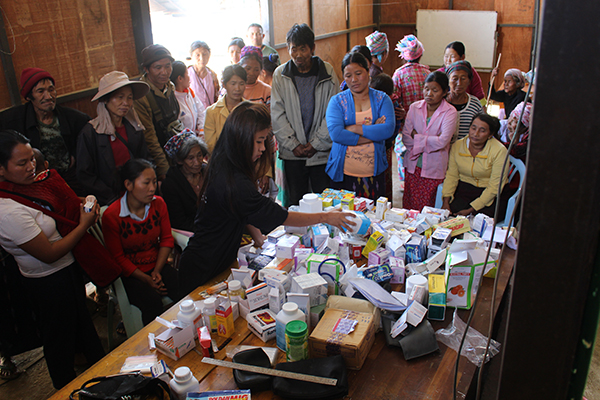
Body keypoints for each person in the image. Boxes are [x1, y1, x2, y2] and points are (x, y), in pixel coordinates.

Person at [178, 102, 354, 294]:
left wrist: (258, 238)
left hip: (216, 260)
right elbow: (280, 216)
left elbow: (243, 210)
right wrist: (326, 217)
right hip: (203, 268)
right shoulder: (234, 182)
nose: (263, 149)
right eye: (259, 141)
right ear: (241, 139)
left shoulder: (225, 162)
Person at [0, 131, 104, 389]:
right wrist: (85, 224)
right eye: (21, 163)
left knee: (84, 329)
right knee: (59, 341)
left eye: (31, 159)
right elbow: (49, 253)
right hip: (47, 282)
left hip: (68, 271)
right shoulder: (7, 210)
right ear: (1, 169)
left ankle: (101, 380)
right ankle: (65, 389)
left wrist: (87, 201)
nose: (31, 166)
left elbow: (66, 204)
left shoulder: (35, 184)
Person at [102, 159, 179, 325]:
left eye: (154, 182)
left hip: (156, 265)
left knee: (182, 286)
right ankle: (153, 344)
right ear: (129, 185)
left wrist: (157, 272)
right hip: (130, 274)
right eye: (146, 183)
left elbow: (166, 239)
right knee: (151, 302)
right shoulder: (112, 216)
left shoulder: (158, 204)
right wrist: (146, 279)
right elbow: (118, 258)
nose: (152, 188)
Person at [272, 23, 339, 207]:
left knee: (324, 202)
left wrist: (316, 144)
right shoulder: (280, 75)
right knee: (296, 202)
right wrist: (293, 145)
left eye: (303, 49)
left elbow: (333, 113)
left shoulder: (328, 72)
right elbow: (277, 113)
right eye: (294, 49)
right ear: (288, 48)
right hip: (293, 154)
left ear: (312, 48)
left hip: (321, 153)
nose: (298, 54)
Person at [0, 68, 90, 195]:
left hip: (72, 180)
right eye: (40, 91)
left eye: (51, 89)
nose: (48, 96)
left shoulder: (75, 118)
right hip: (34, 184)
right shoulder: (12, 121)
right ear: (29, 96)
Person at [325, 52, 395, 199]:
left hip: (374, 174)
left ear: (368, 71)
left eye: (358, 73)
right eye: (348, 75)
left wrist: (356, 128)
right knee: (343, 216)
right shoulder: (337, 102)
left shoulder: (382, 99)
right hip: (343, 173)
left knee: (374, 218)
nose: (354, 80)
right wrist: (373, 134)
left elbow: (388, 129)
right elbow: (337, 134)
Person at [77, 71, 150, 206]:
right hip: (109, 200)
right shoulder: (91, 133)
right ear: (106, 99)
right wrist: (111, 198)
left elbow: (144, 159)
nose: (125, 103)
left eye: (129, 97)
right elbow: (85, 175)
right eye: (119, 97)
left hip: (136, 195)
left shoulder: (134, 128)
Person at [401, 71, 458, 211]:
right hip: (413, 166)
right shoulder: (415, 107)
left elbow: (443, 141)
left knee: (429, 209)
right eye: (426, 89)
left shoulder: (450, 112)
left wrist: (417, 137)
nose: (429, 94)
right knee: (409, 207)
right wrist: (430, 140)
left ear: (445, 92)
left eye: (435, 90)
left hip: (434, 168)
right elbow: (406, 137)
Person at [441, 113, 509, 217]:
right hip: (464, 191)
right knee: (451, 217)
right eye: (473, 128)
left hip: (490, 195)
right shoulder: (458, 146)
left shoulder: (499, 151)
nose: (475, 134)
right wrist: (446, 201)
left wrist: (471, 210)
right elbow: (452, 176)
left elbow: (495, 186)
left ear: (490, 135)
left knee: (478, 220)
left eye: (482, 131)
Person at [133, 44, 183, 181]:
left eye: (168, 66)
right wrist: (164, 171)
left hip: (174, 153)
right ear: (146, 69)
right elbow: (150, 139)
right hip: (155, 159)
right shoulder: (142, 96)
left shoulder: (170, 87)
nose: (165, 72)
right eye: (158, 67)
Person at [161, 131, 209, 232]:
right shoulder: (171, 185)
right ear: (179, 161)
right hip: (192, 233)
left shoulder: (208, 172)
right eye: (190, 158)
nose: (197, 162)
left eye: (199, 155)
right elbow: (179, 222)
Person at [204, 65, 247, 152]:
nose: (237, 88)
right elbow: (210, 145)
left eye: (241, 84)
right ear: (224, 84)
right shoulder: (212, 112)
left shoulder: (250, 109)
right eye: (233, 84)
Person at [445, 61, 484, 141]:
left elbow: (482, 126)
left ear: (469, 81)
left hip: (465, 151)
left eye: (463, 79)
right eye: (455, 78)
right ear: (448, 81)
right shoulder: (441, 102)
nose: (459, 83)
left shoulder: (475, 103)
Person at [392, 34, 431, 112]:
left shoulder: (398, 74)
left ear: (404, 55)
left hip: (405, 120)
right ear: (420, 55)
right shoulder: (428, 73)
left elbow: (394, 100)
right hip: (425, 120)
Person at [170, 61, 206, 136]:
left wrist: (201, 130)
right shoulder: (172, 100)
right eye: (187, 74)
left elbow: (201, 111)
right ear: (180, 78)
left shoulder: (189, 92)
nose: (189, 78)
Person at [187, 41, 220, 110]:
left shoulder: (212, 75)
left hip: (210, 115)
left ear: (209, 55)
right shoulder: (187, 74)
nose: (201, 58)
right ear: (191, 56)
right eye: (197, 55)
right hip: (194, 116)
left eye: (204, 54)